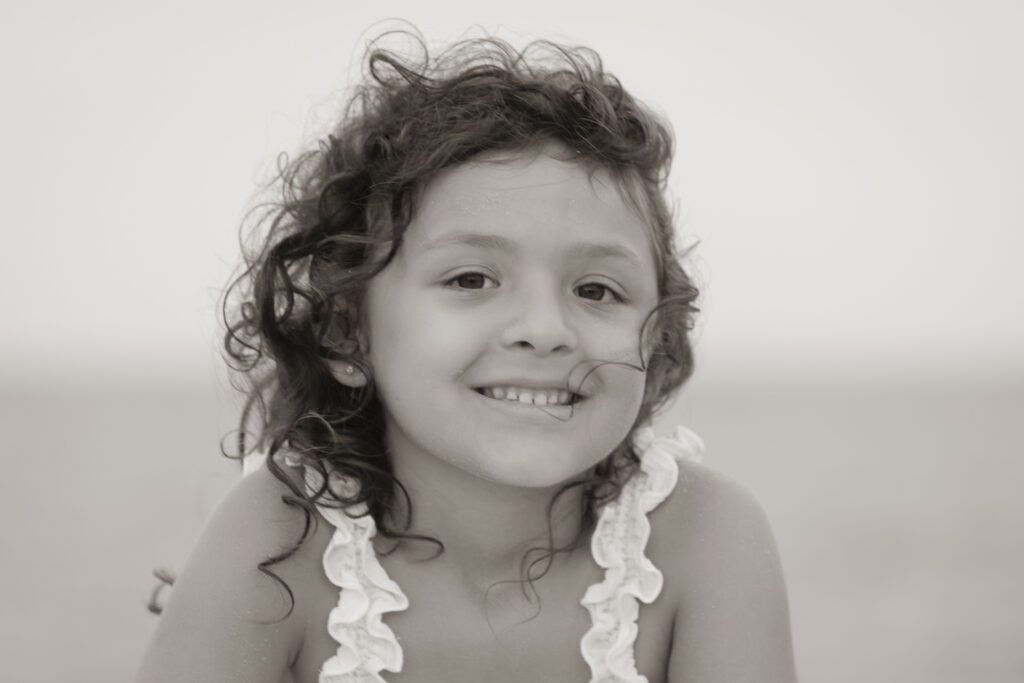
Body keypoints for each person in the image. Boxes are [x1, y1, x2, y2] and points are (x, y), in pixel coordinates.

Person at [136, 30, 797, 683]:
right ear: (346, 331)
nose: (544, 330)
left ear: (655, 340)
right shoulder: (278, 546)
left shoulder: (704, 541)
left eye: (597, 289)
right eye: (471, 279)